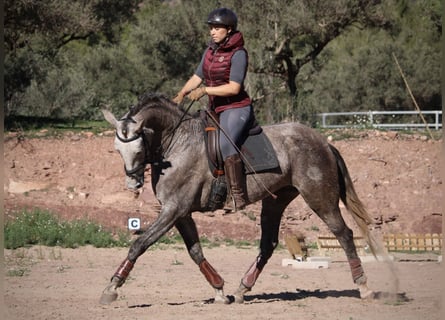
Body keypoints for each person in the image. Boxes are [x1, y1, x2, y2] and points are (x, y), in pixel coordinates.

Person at [173, 7, 255, 211]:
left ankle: (237, 196)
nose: (212, 31)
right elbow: (197, 77)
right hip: (214, 108)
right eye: (211, 27)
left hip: (235, 107)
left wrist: (205, 90)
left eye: (217, 27)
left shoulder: (238, 54)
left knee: (226, 144)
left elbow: (234, 87)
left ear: (229, 29)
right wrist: (181, 94)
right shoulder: (210, 51)